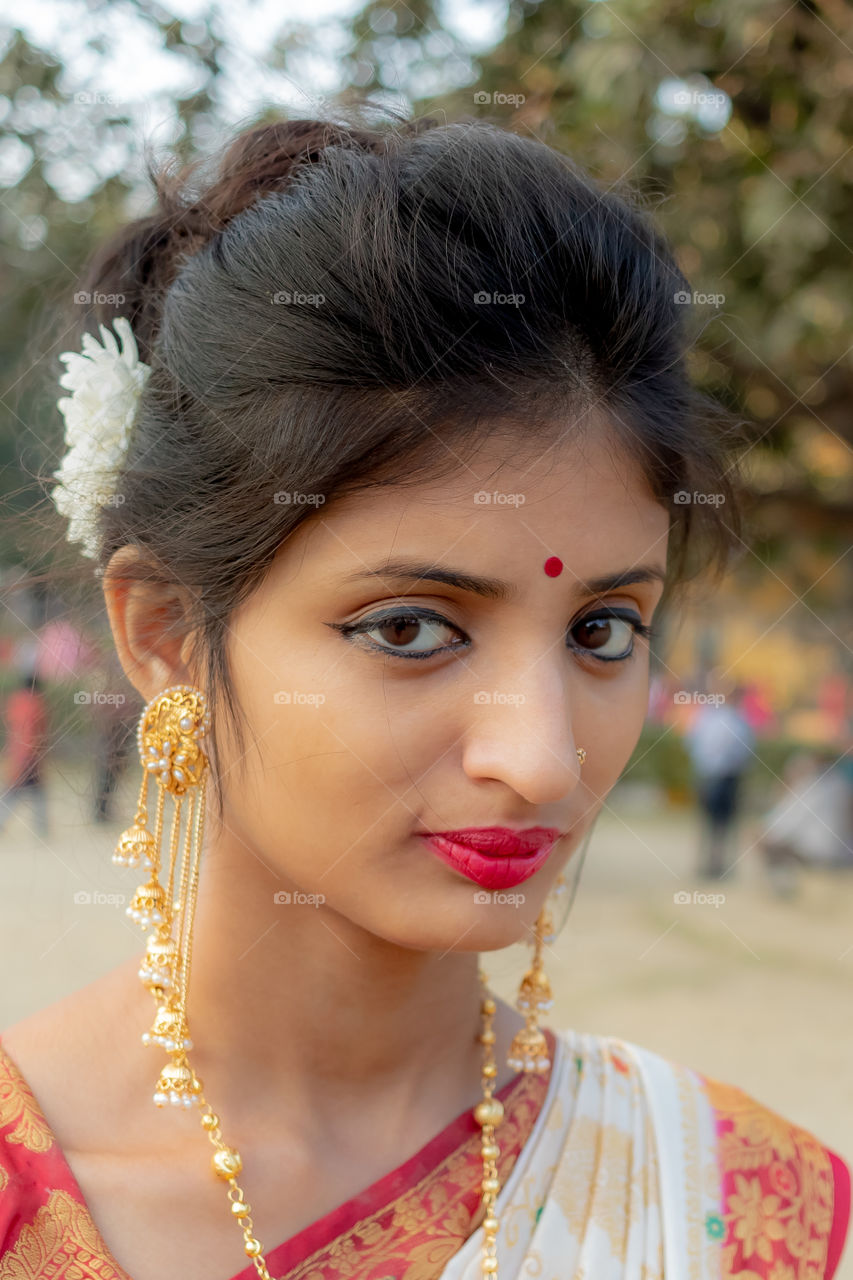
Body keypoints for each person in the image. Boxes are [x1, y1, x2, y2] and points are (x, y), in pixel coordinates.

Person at [0, 111, 848, 1280]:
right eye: (410, 627)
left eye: (603, 629)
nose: (544, 759)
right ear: (164, 633)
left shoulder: (734, 1210)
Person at [683, 675, 756, 880]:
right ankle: (704, 862)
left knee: (724, 823)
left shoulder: (739, 719)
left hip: (729, 777)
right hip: (708, 775)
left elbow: (746, 750)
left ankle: (720, 864)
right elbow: (693, 743)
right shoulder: (706, 716)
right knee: (706, 821)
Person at [0, 670, 50, 839]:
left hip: (15, 752)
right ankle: (42, 828)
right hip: (29, 755)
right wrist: (29, 755)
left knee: (22, 792)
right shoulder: (34, 704)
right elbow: (31, 733)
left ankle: (42, 827)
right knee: (21, 793)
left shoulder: (15, 702)